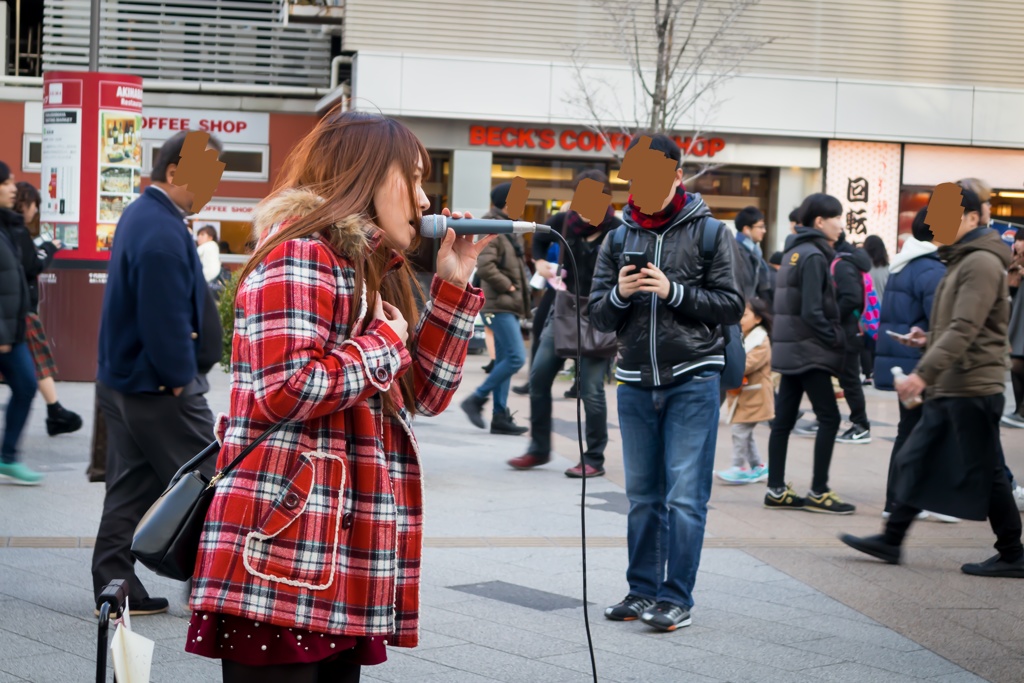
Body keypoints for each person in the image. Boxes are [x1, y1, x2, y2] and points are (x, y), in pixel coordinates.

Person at [189, 110, 488, 682]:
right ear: (367, 175)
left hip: (335, 549)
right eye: (414, 179)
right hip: (285, 548)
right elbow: (283, 390)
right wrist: (382, 342)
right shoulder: (301, 254)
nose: (426, 201)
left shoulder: (370, 265)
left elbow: (424, 394)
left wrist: (453, 285)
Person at [589, 134, 744, 631]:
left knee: (683, 496)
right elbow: (597, 317)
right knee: (642, 497)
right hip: (634, 381)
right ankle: (641, 591)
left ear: (678, 175)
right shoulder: (617, 238)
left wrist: (673, 290)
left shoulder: (711, 233)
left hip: (694, 378)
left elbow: (732, 305)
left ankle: (677, 597)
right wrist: (620, 293)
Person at [840, 187, 1024, 578]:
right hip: (955, 382)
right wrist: (926, 337)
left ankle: (1012, 552)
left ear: (973, 218)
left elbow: (966, 327)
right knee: (919, 458)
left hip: (972, 384)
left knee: (987, 472)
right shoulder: (960, 259)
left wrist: (923, 374)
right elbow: (958, 324)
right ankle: (892, 540)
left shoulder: (979, 262)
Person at [91, 131, 224, 616]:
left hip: (127, 382)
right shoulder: (161, 230)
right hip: (158, 387)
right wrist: (176, 377)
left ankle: (115, 583)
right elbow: (162, 315)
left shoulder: (142, 214)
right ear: (174, 173)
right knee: (212, 477)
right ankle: (213, 587)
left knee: (132, 486)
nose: (212, 187)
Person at [509, 170, 620, 478]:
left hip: (600, 315)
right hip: (565, 310)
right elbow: (540, 241)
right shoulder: (563, 221)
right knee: (538, 377)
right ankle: (539, 449)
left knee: (591, 390)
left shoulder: (618, 230)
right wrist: (541, 262)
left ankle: (594, 458)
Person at [765, 193, 854, 514]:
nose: (841, 226)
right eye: (837, 218)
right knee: (829, 418)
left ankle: (776, 489)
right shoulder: (815, 255)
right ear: (820, 221)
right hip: (809, 350)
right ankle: (819, 491)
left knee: (783, 422)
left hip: (791, 350)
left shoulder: (793, 251)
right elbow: (812, 311)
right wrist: (835, 338)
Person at [873, 207, 955, 522]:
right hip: (922, 363)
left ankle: (896, 500)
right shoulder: (931, 270)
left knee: (910, 431)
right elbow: (943, 321)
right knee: (928, 431)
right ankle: (916, 500)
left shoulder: (903, 265)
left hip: (902, 362)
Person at [9, 182, 83, 436]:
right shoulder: (16, 231)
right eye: (34, 206)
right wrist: (49, 248)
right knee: (36, 365)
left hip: (15, 309)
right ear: (26, 204)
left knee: (32, 367)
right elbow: (31, 265)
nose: (34, 212)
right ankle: (54, 412)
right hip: (19, 310)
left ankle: (55, 411)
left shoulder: (12, 230)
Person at [461, 182, 531, 436]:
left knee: (504, 359)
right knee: (515, 357)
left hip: (506, 305)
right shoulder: (494, 225)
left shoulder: (508, 228)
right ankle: (476, 399)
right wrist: (510, 287)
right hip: (498, 305)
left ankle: (499, 416)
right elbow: (486, 264)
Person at [0, 162, 41, 485]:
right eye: (8, 182)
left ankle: (8, 456)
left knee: (27, 385)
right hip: (4, 331)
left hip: (12, 330)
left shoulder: (7, 225)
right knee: (26, 384)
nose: (14, 187)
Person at [715, 297, 773, 485]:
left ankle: (738, 466)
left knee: (740, 430)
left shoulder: (761, 340)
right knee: (745, 433)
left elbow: (747, 364)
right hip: (745, 396)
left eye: (746, 315)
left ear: (758, 319)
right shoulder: (746, 336)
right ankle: (758, 466)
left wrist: (729, 364)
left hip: (755, 396)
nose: (741, 319)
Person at [831, 232, 873, 444]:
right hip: (848, 330)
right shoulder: (844, 261)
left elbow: (851, 297)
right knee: (844, 379)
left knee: (849, 380)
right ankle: (831, 419)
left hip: (847, 331)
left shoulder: (842, 264)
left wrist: (832, 318)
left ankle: (861, 424)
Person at [859, 235, 889, 385]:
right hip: (883, 311)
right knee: (880, 342)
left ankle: (867, 373)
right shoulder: (888, 268)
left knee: (865, 343)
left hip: (867, 311)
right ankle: (878, 371)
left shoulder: (863, 267)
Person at [1003, 231, 1024, 429]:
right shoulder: (1014, 261)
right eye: (1017, 240)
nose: (1018, 244)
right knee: (1015, 363)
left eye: (1022, 240)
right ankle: (1019, 409)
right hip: (1017, 316)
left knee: (1018, 363)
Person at [734, 206, 774, 304]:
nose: (764, 231)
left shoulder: (754, 251)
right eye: (760, 227)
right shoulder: (737, 251)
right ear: (746, 229)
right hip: (742, 309)